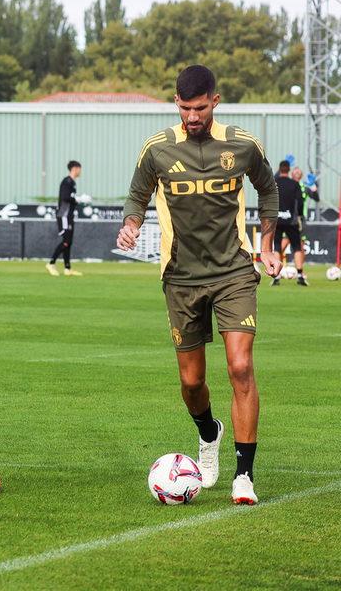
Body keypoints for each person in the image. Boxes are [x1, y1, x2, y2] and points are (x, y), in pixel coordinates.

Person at [117, 65, 280, 505]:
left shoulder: (242, 144)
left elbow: (269, 189)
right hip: (182, 279)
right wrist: (131, 224)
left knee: (240, 368)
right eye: (185, 107)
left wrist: (266, 244)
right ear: (176, 103)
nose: (193, 116)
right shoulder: (157, 149)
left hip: (234, 273)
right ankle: (210, 434)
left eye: (201, 107)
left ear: (215, 101)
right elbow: (137, 195)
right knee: (192, 383)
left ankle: (243, 476)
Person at [272, 161, 308, 286]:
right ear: (289, 170)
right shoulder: (294, 184)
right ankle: (300, 276)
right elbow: (300, 201)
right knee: (297, 246)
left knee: (277, 246)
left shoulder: (275, 183)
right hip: (291, 220)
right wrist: (299, 215)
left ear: (279, 169)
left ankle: (276, 278)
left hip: (277, 219)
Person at [46, 160, 83, 276]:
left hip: (69, 215)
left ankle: (67, 268)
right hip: (64, 215)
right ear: (75, 168)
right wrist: (78, 199)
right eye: (79, 168)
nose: (80, 171)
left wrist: (81, 201)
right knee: (66, 241)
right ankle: (51, 263)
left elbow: (71, 200)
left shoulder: (73, 183)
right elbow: (64, 197)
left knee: (69, 241)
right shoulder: (66, 181)